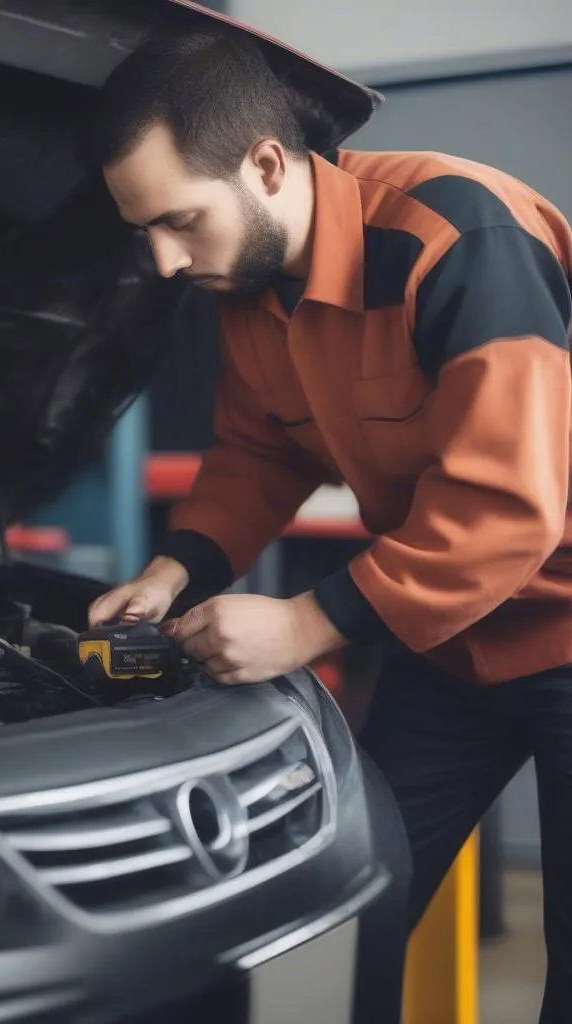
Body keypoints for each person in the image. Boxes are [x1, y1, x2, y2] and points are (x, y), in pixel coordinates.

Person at [83, 22, 572, 1024]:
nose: (166, 262)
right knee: (341, 908)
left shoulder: (458, 241)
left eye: (179, 220)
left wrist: (307, 623)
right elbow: (261, 453)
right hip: (450, 649)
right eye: (145, 235)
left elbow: (504, 509)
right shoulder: (252, 286)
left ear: (265, 165)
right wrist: (176, 569)